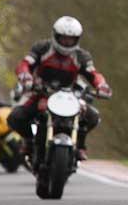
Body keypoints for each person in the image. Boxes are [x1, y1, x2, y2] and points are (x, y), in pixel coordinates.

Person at [7, 16, 112, 161]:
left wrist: (102, 85)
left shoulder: (81, 56)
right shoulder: (42, 48)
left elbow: (93, 74)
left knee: (92, 117)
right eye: (63, 38)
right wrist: (26, 76)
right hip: (41, 92)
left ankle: (80, 145)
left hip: (70, 95)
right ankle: (29, 141)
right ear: (55, 35)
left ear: (77, 39)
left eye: (71, 39)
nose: (67, 42)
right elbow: (25, 64)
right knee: (15, 117)